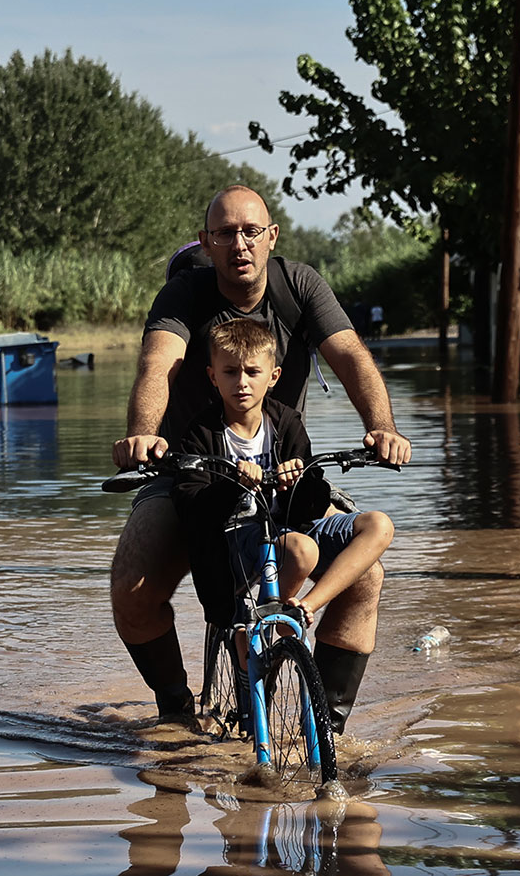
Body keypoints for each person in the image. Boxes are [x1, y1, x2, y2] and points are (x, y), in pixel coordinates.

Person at [111, 185, 412, 726]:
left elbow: (350, 355)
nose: (239, 244)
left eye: (251, 231)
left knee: (366, 576)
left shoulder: (299, 285)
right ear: (206, 242)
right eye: (225, 233)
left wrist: (382, 429)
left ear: (271, 237)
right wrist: (142, 435)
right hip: (192, 472)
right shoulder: (185, 293)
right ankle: (178, 713)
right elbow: (159, 363)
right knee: (132, 585)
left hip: (280, 472)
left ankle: (328, 729)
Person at [173, 319, 396, 732]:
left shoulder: (286, 422)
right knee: (302, 550)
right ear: (213, 377)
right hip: (232, 543)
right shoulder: (202, 433)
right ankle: (262, 622)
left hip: (285, 529)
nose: (242, 382)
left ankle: (304, 608)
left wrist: (302, 479)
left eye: (253, 372)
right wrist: (232, 483)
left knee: (378, 524)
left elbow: (308, 506)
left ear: (273, 376)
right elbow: (191, 504)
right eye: (230, 372)